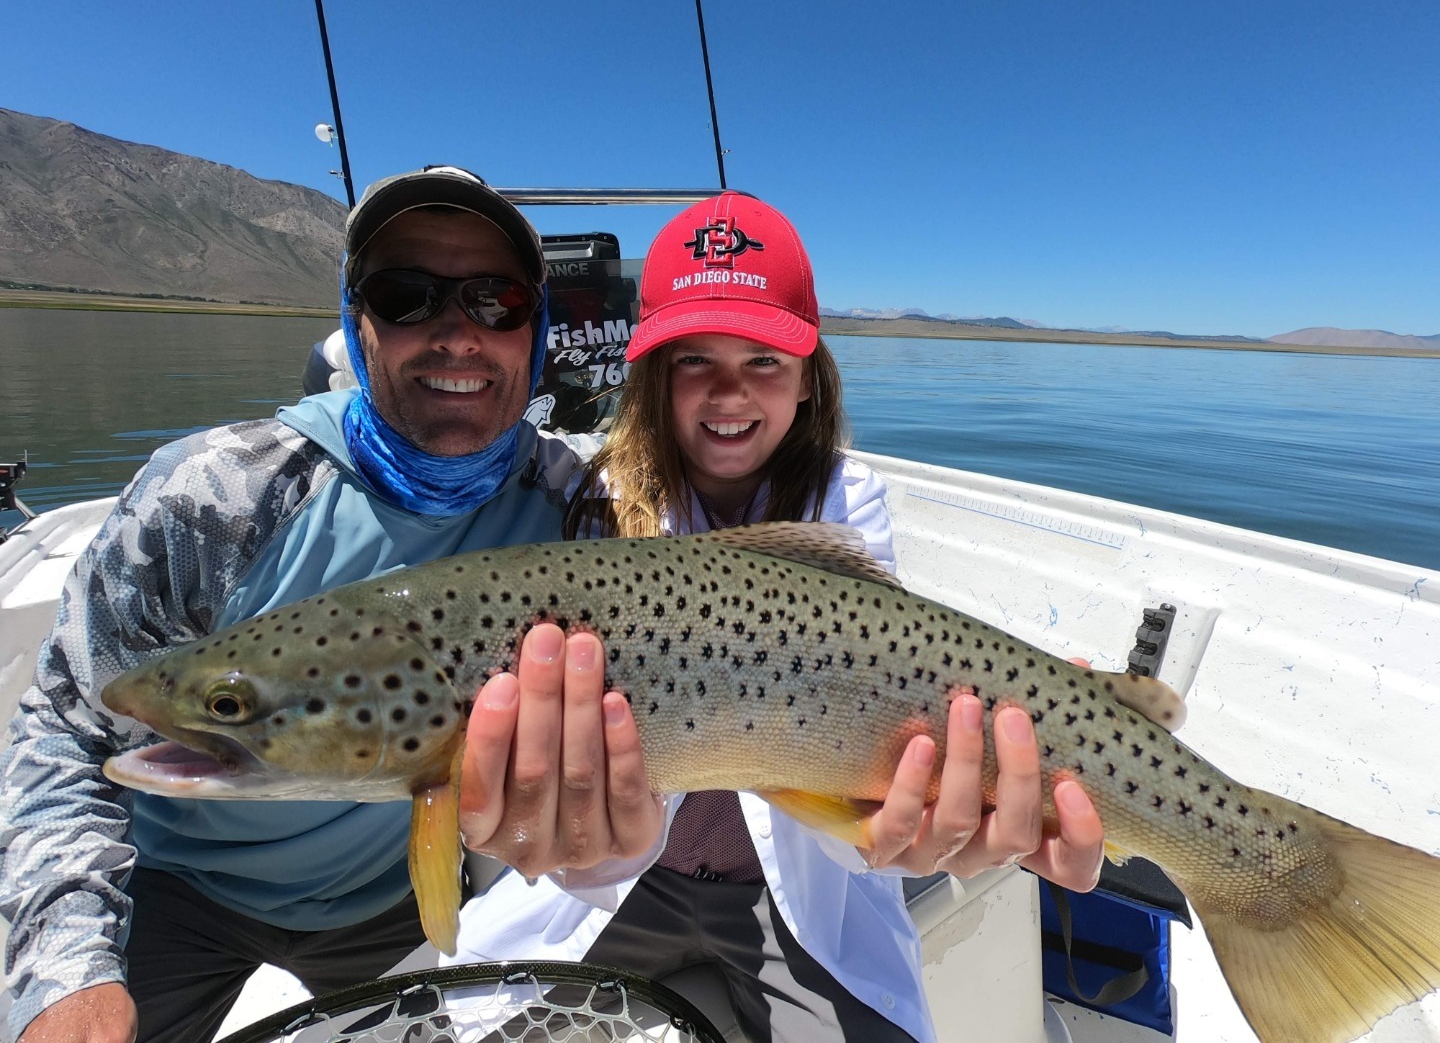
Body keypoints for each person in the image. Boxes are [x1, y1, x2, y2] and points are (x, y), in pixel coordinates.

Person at [0, 166, 666, 1043]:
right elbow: (67, 735)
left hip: (391, 894)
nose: (458, 333)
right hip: (167, 887)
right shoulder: (214, 497)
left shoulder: (581, 510)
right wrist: (65, 972)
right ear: (358, 324)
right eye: (407, 296)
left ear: (536, 331)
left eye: (496, 300)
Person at [445, 191, 1107, 1042]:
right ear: (652, 374)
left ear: (809, 378)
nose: (730, 393)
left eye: (764, 360)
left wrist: (889, 827)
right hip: (612, 885)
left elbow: (858, 740)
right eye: (695, 360)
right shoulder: (591, 502)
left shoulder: (848, 500)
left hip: (787, 898)